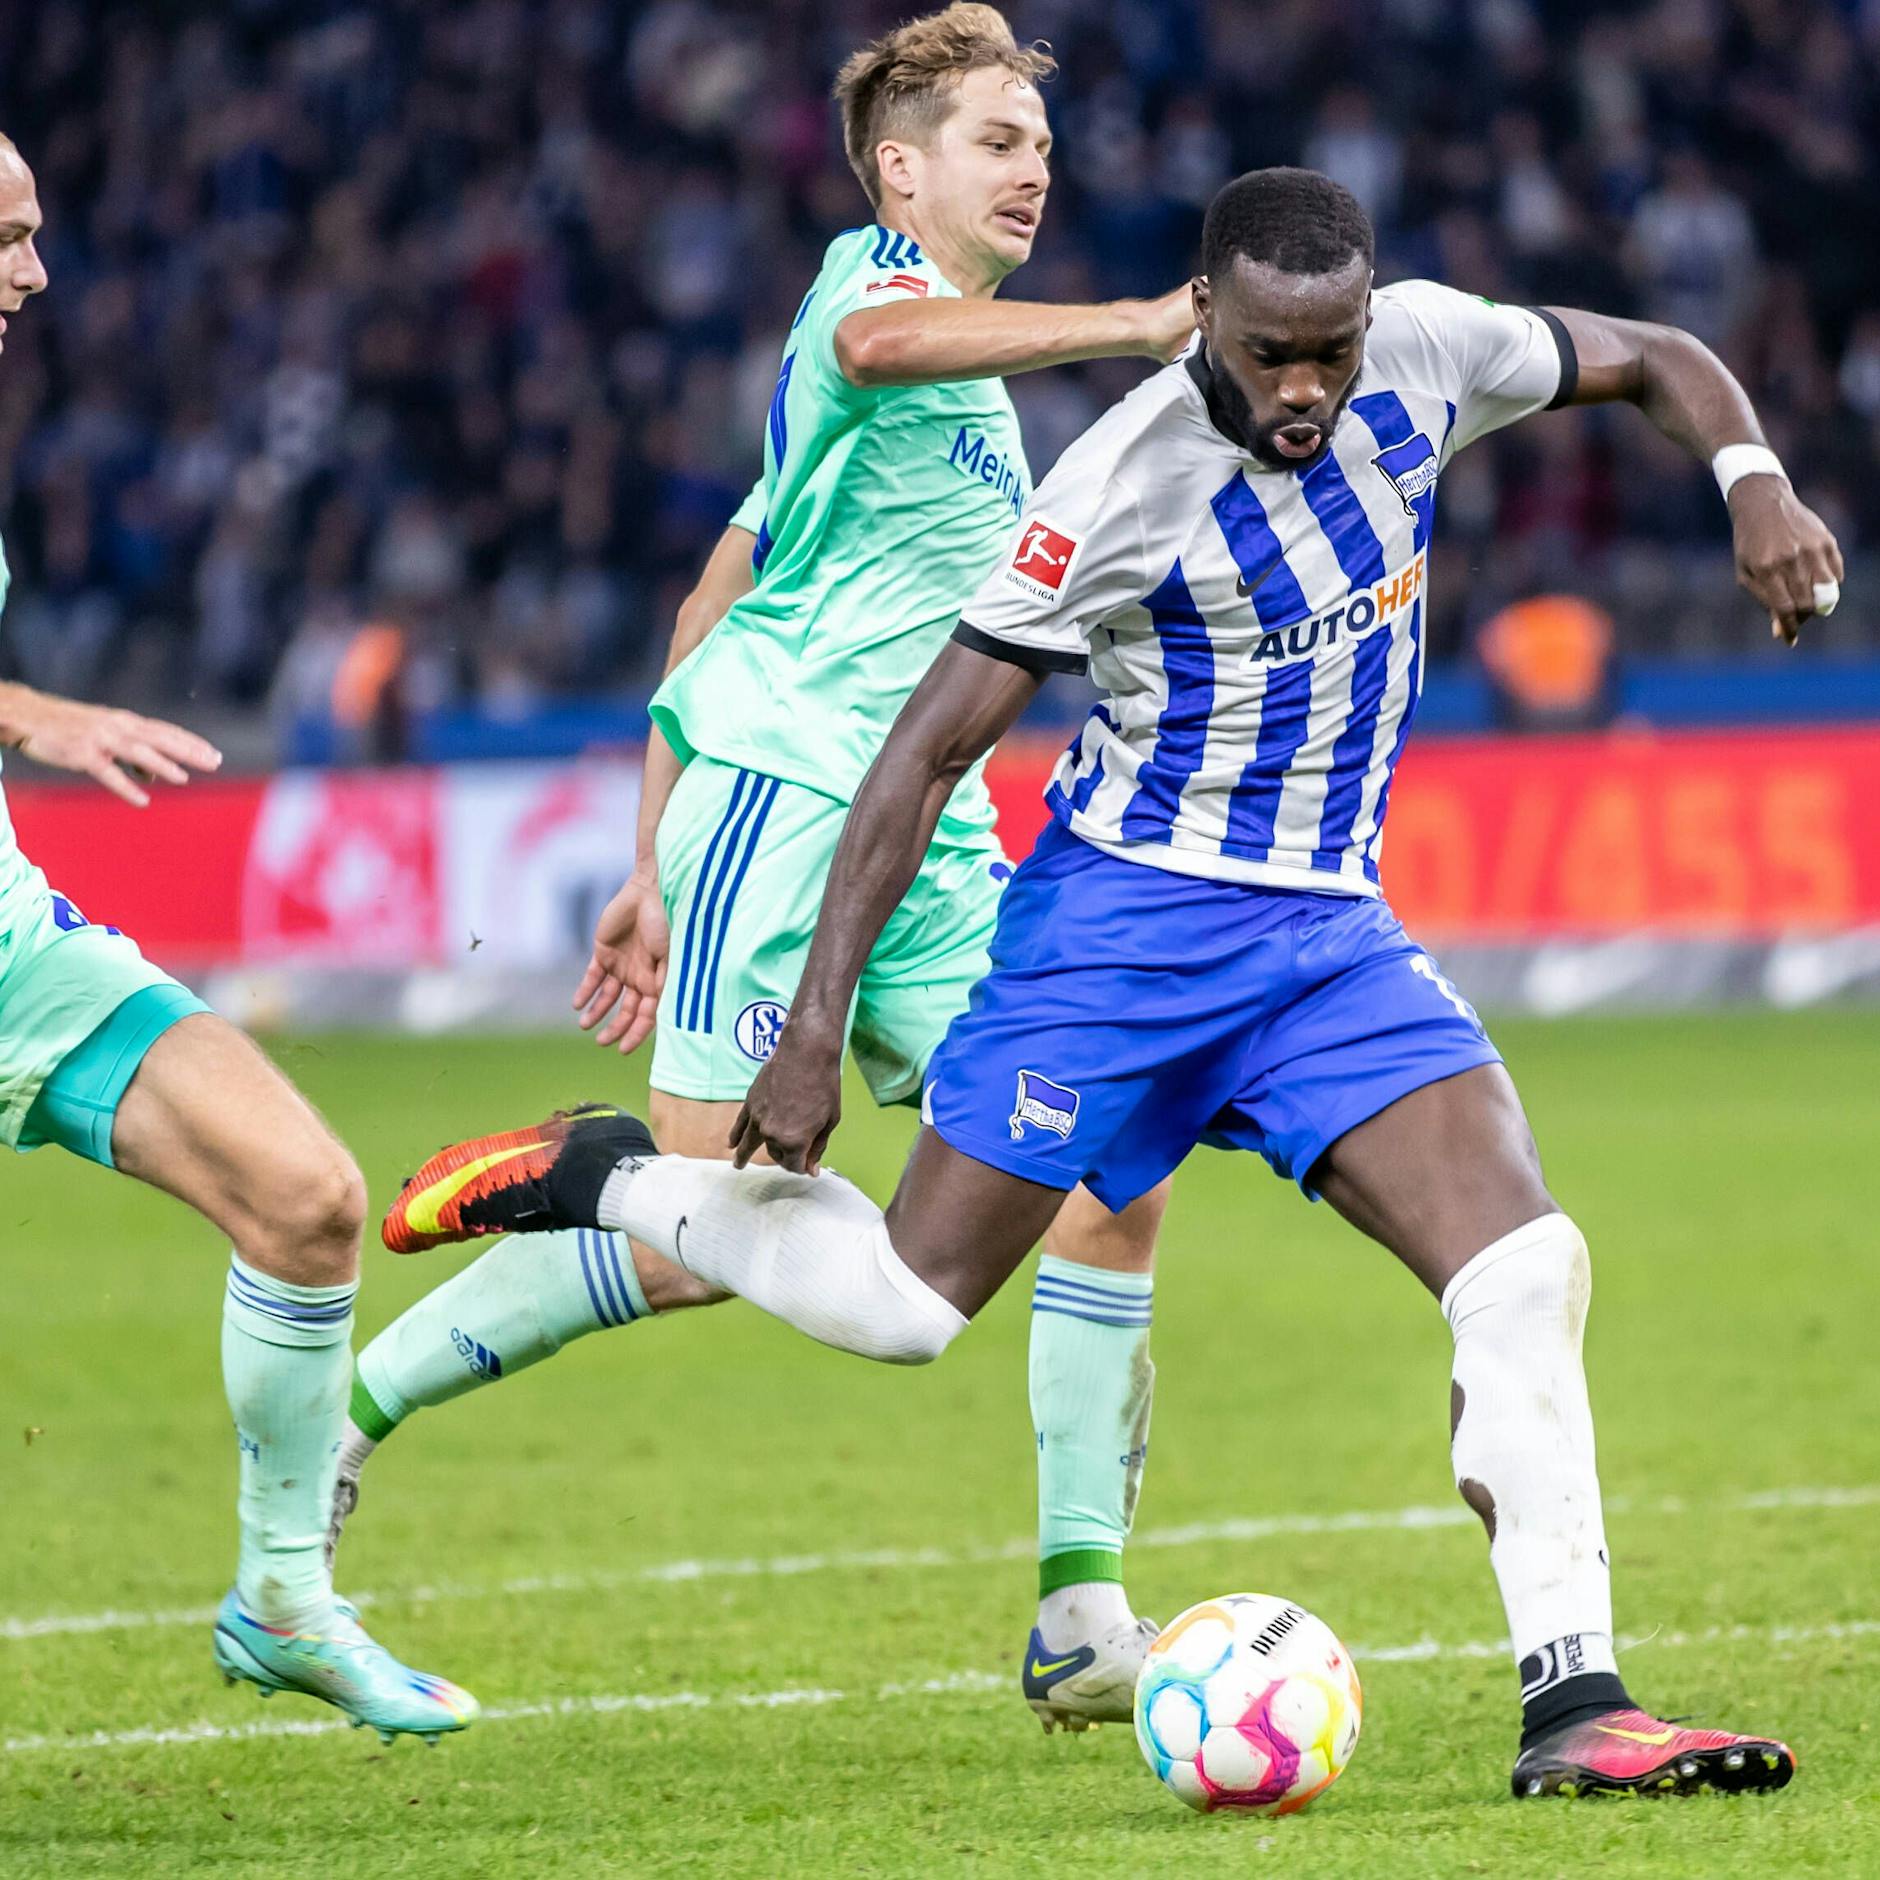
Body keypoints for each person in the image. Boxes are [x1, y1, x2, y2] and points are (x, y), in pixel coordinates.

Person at [391, 166, 1840, 1798]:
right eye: (1275, 354)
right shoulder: (1119, 481)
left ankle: (1578, 1709)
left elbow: (1654, 353)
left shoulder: (1429, 350)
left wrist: (1753, 483)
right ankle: (606, 1175)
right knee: (900, 1311)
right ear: (1206, 315)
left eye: (1333, 353)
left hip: (1323, 941)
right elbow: (923, 758)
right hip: (1119, 938)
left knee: (1526, 1264)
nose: (1307, 391)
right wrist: (808, 1034)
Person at [333, 3, 1193, 1733]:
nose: (1037, 169)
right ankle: (367, 1398)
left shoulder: (944, 401)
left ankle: (1080, 1610)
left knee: (1101, 1166)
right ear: (903, 172)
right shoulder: (859, 292)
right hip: (791, 808)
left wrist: (640, 860)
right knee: (698, 1229)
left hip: (935, 838)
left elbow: (717, 588)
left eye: (1042, 144)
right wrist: (1145, 325)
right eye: (998, 144)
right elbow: (883, 358)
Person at [0, 132, 474, 1745]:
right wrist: (29, 711)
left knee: (308, 1195)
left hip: (15, 956)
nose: (35, 273)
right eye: (6, 236)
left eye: (39, 232)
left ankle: (282, 1598)